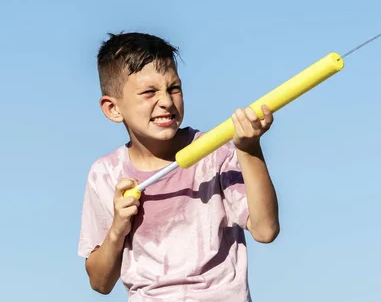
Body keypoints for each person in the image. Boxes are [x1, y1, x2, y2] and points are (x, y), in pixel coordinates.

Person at [77, 32, 280, 302]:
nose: (167, 102)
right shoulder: (105, 174)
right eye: (149, 92)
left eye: (174, 88)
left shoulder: (216, 152)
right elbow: (100, 282)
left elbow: (265, 230)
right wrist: (117, 228)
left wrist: (249, 148)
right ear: (113, 108)